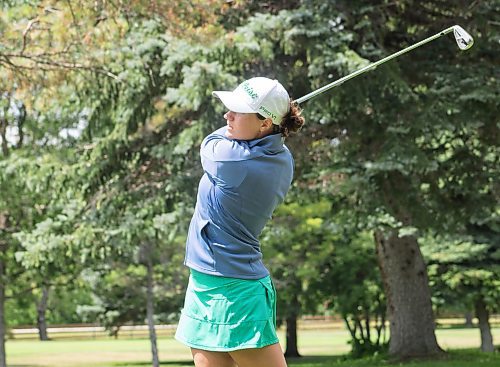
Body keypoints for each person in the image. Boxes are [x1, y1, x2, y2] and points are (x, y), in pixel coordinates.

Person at [175, 77, 304, 367]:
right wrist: (271, 120)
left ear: (264, 124)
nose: (226, 116)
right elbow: (243, 134)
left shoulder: (232, 162)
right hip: (205, 280)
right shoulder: (281, 157)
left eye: (237, 111)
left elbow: (209, 141)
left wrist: (275, 118)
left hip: (236, 291)